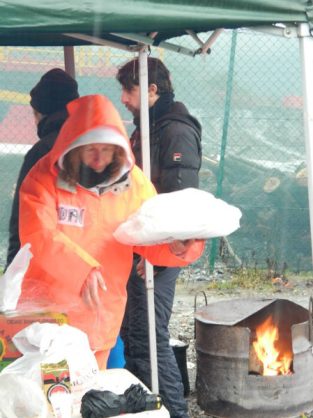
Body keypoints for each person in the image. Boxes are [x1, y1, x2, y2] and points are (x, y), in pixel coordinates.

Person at [17, 94, 204, 370]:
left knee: (92, 398)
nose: (99, 158)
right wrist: (81, 269)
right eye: (90, 148)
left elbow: (148, 235)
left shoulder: (134, 184)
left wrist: (179, 246)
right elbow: (38, 235)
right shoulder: (44, 178)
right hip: (48, 321)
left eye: (107, 150)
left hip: (101, 315)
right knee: (50, 400)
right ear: (73, 145)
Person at [117, 57, 202, 418]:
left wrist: (154, 254)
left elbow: (178, 203)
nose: (123, 98)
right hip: (143, 248)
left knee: (151, 336)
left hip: (164, 250)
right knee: (135, 334)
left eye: (129, 89)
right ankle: (144, 407)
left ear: (152, 90)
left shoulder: (174, 130)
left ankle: (175, 411)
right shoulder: (148, 126)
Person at [5, 68, 79, 269]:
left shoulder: (42, 151)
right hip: (90, 258)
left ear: (41, 113)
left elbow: (22, 215)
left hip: (49, 260)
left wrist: (14, 267)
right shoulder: (91, 144)